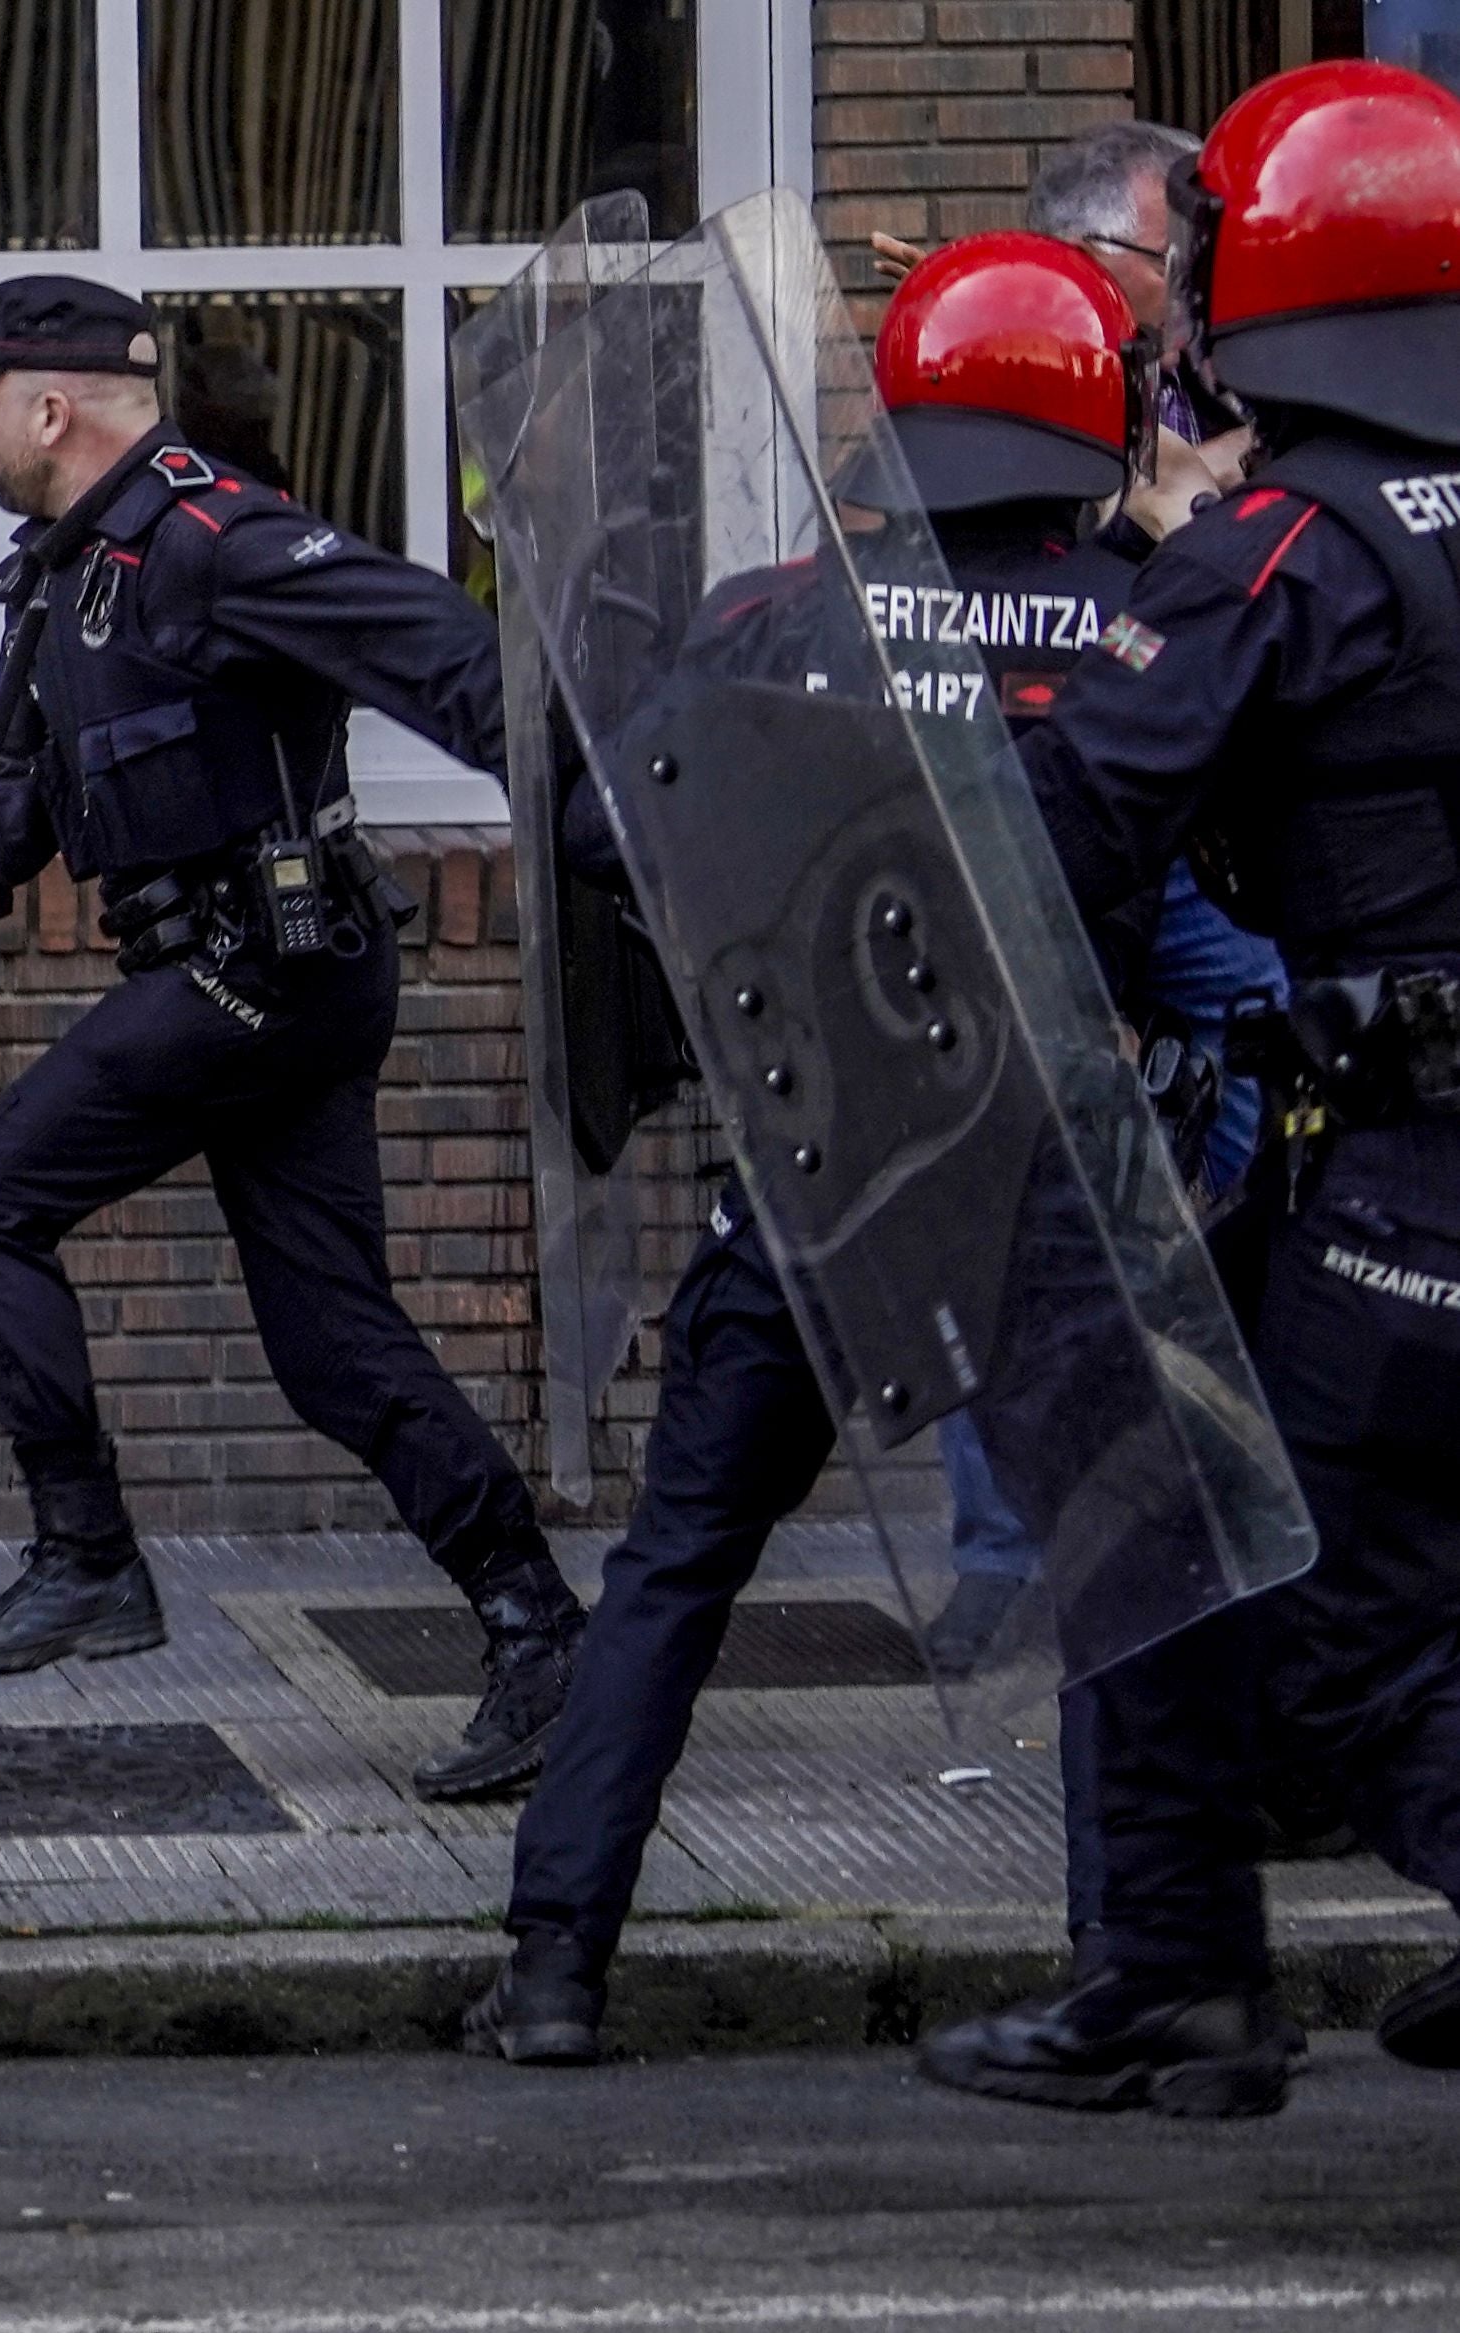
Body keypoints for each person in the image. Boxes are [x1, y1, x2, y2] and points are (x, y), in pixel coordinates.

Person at [468, 236, 1171, 2066]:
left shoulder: (783, 612)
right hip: (1050, 1181)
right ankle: (1130, 1958)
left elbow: (620, 832)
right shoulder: (1141, 627)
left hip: (815, 1173)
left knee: (679, 1564)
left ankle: (553, 1962)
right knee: (1113, 1582)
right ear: (1098, 410)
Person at [924, 58, 1460, 2117]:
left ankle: (1173, 1968)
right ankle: (1172, 1970)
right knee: (1164, 1511)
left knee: (1321, 1618)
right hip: (1385, 1168)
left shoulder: (1282, 555)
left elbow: (1069, 831)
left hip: (1394, 1184)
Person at [0, 276, 583, 1803]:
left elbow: (443, 652)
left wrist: (601, 800)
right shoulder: (80, 565)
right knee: (332, 1351)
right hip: (256, 976)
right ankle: (539, 1631)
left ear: (50, 409)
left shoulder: (210, 536)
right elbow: (51, 761)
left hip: (259, 971)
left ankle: (85, 1561)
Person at [910, 119, 1291, 1680]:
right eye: (1165, 255)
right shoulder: (1014, 353)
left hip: (1164, 823)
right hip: (1045, 804)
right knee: (986, 1173)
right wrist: (1157, 518)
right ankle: (1011, 1547)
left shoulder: (1176, 376)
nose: (1184, 284)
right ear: (1092, 256)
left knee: (1268, 1064)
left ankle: (1204, 1387)